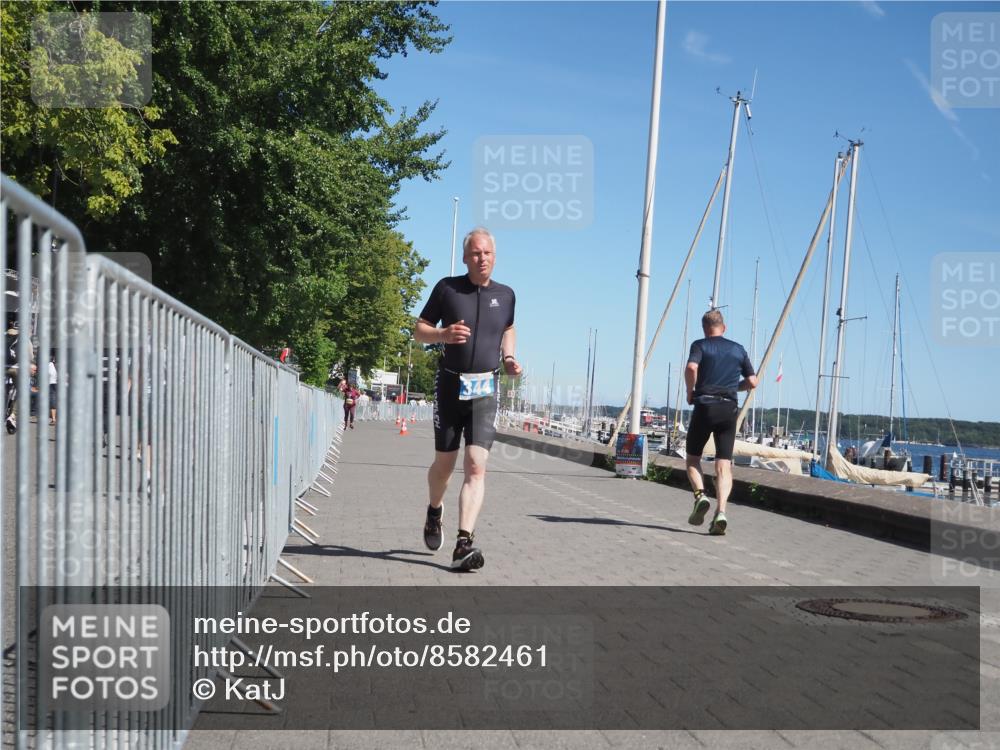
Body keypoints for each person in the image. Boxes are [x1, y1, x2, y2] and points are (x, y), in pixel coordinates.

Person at [414, 227, 522, 571]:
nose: (482, 258)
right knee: (444, 466)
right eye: (476, 253)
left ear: (494, 256)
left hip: (485, 391)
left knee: (476, 465)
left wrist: (508, 358)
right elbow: (418, 330)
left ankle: (464, 543)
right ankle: (434, 511)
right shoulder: (447, 288)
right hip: (449, 387)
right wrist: (442, 334)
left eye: (487, 253)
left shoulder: (506, 295)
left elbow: (507, 328)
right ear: (465, 257)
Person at [684, 309, 758, 535]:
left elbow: (691, 368)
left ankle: (700, 496)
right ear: (723, 327)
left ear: (705, 328)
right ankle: (721, 511)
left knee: (693, 459)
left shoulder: (700, 345)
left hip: (705, 406)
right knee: (723, 464)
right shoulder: (738, 349)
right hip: (728, 408)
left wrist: (690, 391)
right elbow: (753, 381)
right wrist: (733, 387)